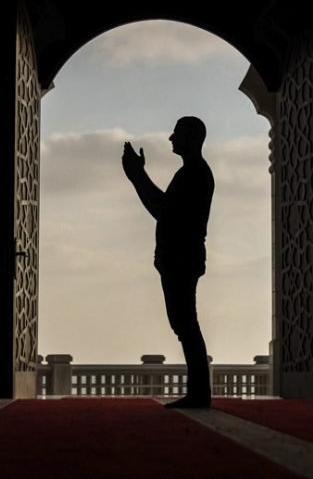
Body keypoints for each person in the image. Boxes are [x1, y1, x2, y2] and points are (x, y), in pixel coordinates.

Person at [122, 116, 214, 408]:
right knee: (184, 323)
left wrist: (137, 176)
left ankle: (199, 393)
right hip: (180, 258)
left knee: (186, 323)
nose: (172, 138)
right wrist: (138, 176)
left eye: (178, 133)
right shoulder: (191, 173)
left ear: (192, 138)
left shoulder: (194, 174)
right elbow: (165, 209)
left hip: (181, 258)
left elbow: (164, 210)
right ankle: (198, 392)